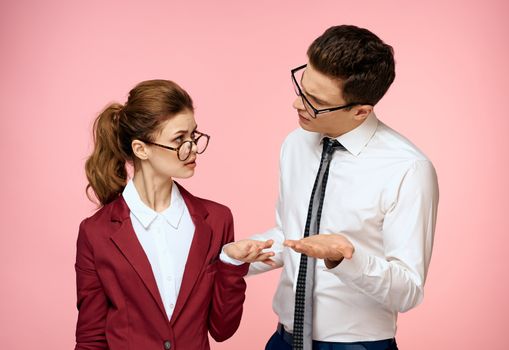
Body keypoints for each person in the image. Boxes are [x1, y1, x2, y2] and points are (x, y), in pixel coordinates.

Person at [222, 25, 439, 350]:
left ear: (360, 111)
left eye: (315, 101)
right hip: (282, 340)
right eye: (301, 86)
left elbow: (408, 290)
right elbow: (292, 234)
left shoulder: (408, 169)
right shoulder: (295, 144)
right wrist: (232, 258)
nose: (297, 104)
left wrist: (346, 258)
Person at [75, 79, 249, 350]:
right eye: (179, 139)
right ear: (140, 149)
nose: (191, 147)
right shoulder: (96, 232)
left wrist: (232, 266)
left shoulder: (217, 219)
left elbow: (222, 329)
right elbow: (91, 339)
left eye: (193, 135)